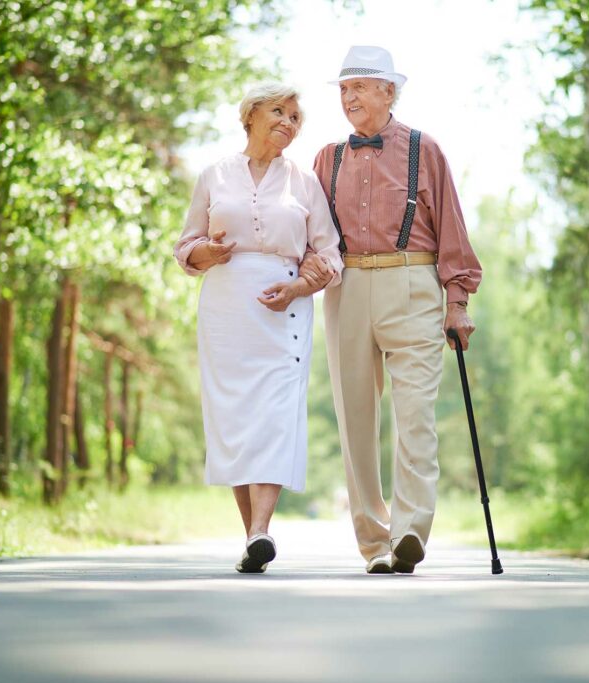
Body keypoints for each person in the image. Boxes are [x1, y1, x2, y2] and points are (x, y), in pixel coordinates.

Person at [304, 46, 482, 574]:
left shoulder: (425, 150)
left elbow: (452, 227)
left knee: (416, 416)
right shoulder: (325, 158)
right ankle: (373, 543)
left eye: (359, 86)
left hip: (414, 280)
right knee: (355, 417)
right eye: (342, 89)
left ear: (388, 91)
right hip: (348, 285)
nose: (349, 97)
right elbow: (312, 235)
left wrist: (459, 302)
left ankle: (409, 529)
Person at [174, 83, 342, 574]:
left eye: (295, 117)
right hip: (225, 304)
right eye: (279, 112)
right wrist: (209, 252)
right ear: (250, 116)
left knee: (274, 413)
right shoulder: (214, 175)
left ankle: (261, 530)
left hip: (283, 302)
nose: (288, 122)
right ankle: (253, 538)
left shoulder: (304, 182)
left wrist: (298, 287)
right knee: (234, 417)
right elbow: (186, 248)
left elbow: (329, 253)